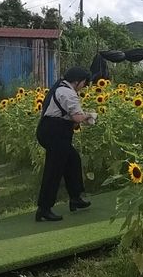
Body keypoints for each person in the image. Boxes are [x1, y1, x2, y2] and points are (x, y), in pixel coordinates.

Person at [35, 66, 97, 221]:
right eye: (84, 83)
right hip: (54, 132)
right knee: (54, 169)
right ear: (77, 81)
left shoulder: (61, 87)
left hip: (51, 130)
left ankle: (75, 198)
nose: (85, 86)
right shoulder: (68, 93)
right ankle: (44, 208)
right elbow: (77, 117)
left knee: (73, 160)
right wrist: (90, 115)